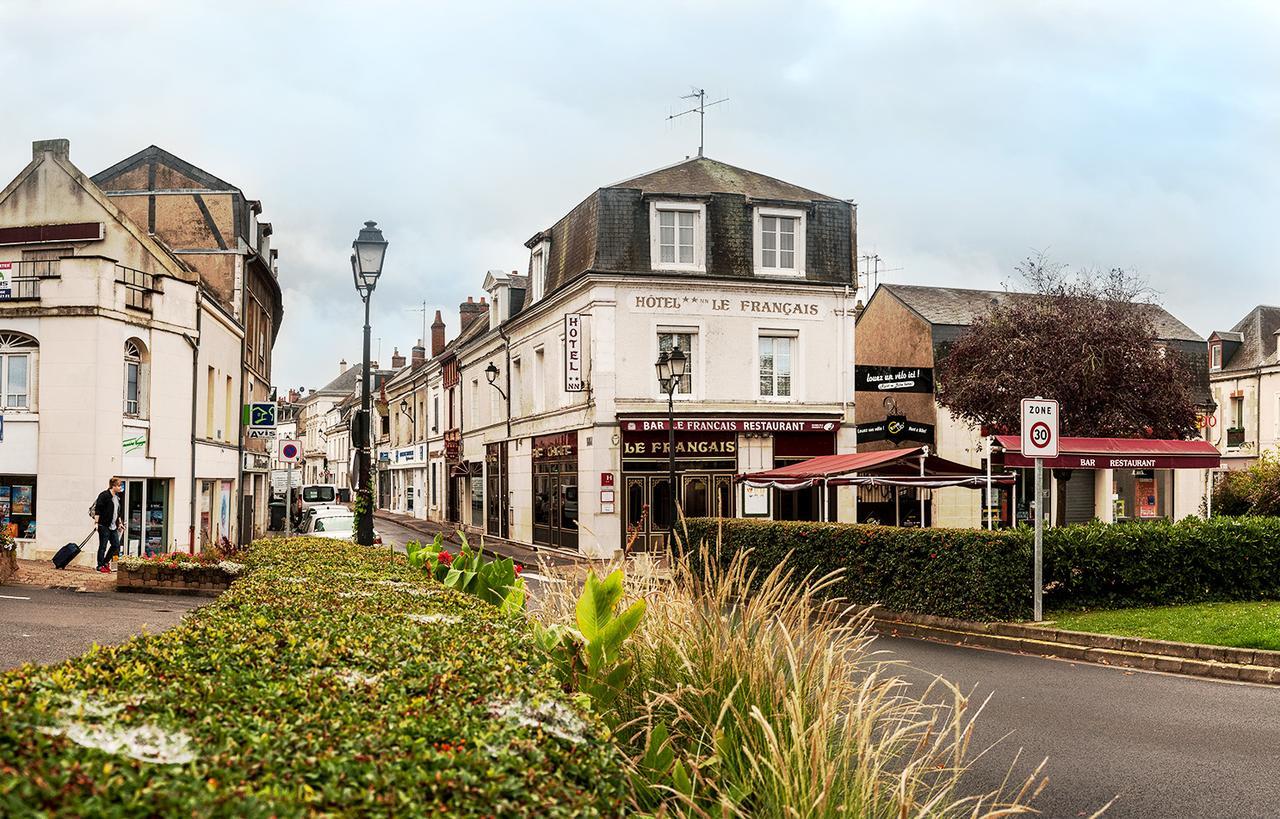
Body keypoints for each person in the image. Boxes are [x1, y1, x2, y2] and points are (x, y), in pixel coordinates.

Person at [92, 478, 125, 573]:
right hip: (103, 525)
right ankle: (100, 566)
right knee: (103, 546)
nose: (120, 488)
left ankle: (105, 562)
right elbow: (97, 510)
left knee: (116, 545)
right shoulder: (104, 495)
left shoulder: (117, 497)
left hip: (113, 526)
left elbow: (117, 512)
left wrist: (120, 523)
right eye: (119, 486)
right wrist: (96, 523)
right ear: (113, 486)